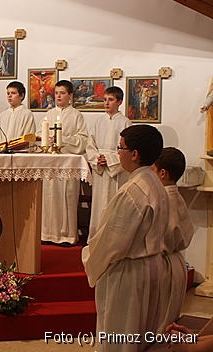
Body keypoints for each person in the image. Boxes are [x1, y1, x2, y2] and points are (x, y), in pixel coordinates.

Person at [82, 124, 168, 352]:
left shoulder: (133, 191)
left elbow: (113, 242)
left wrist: (89, 256)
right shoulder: (155, 183)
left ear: (135, 154)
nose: (118, 153)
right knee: (141, 335)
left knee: (119, 338)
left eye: (120, 148)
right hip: (150, 266)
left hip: (128, 273)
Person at [41, 80, 88, 245]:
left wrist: (63, 139)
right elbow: (41, 135)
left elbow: (83, 140)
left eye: (62, 93)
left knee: (66, 197)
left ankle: (67, 235)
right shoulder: (49, 114)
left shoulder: (76, 115)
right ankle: (47, 234)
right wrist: (46, 140)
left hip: (67, 163)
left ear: (70, 95)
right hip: (51, 163)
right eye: (56, 93)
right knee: (48, 198)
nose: (58, 96)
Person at [153, 147, 195, 332]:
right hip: (176, 263)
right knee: (169, 316)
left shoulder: (164, 201)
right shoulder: (176, 197)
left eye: (153, 170)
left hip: (164, 265)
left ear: (163, 173)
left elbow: (164, 237)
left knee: (160, 322)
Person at [85, 86, 132, 241]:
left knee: (114, 205)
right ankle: (96, 238)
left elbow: (128, 150)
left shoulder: (126, 123)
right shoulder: (98, 122)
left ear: (119, 102)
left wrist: (110, 160)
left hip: (115, 171)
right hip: (100, 169)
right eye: (105, 99)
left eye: (110, 100)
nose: (106, 103)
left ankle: (112, 240)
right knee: (99, 206)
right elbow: (90, 145)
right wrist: (96, 158)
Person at [0, 81, 36, 148]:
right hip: (1, 151)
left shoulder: (27, 114)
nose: (10, 96)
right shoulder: (2, 115)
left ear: (22, 95)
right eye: (8, 93)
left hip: (18, 152)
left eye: (13, 93)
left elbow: (28, 137)